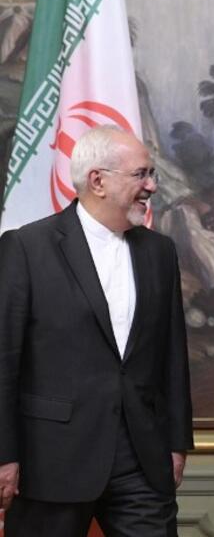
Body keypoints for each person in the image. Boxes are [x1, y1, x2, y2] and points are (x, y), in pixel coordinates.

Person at [0, 126, 193, 536]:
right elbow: (4, 360)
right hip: (49, 461)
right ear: (97, 181)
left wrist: (176, 443)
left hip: (140, 461)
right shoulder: (27, 247)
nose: (152, 186)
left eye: (151, 174)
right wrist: (4, 455)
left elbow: (172, 357)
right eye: (141, 174)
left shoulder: (160, 253)